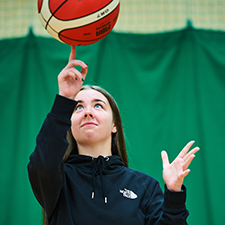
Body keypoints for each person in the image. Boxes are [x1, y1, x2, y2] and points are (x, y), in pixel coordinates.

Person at [27, 46, 199, 225]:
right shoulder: (59, 180)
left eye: (98, 106)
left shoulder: (145, 187)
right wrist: (64, 98)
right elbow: (41, 166)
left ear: (114, 125)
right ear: (69, 124)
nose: (87, 112)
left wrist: (173, 193)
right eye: (78, 107)